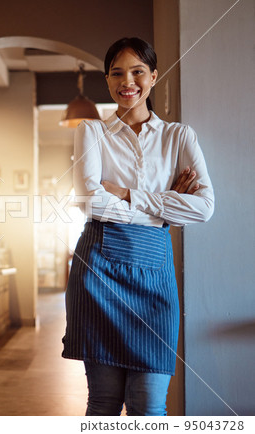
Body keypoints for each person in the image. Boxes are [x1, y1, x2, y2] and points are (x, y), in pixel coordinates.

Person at [62, 37, 214, 416]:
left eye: (137, 72)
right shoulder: (91, 132)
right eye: (116, 73)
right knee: (103, 403)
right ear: (108, 81)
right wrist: (164, 208)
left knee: (149, 406)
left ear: (153, 77)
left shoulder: (180, 136)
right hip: (98, 275)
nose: (126, 81)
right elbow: (89, 202)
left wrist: (129, 195)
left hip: (154, 282)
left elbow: (205, 208)